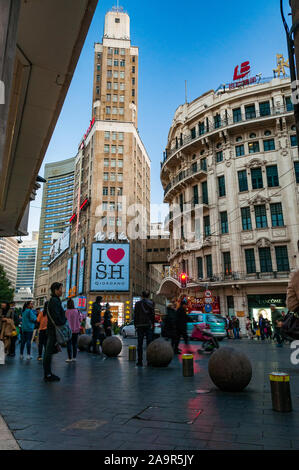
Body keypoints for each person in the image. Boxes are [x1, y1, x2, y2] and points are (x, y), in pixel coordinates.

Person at [43, 282, 66, 382]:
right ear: (56, 290)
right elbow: (57, 317)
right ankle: (47, 374)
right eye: (60, 289)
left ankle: (48, 373)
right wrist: (63, 321)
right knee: (48, 352)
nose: (62, 291)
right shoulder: (55, 301)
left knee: (49, 351)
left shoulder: (54, 300)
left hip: (52, 329)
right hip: (53, 330)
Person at [133, 290, 155, 366]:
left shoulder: (137, 304)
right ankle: (149, 361)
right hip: (148, 325)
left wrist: (135, 325)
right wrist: (153, 324)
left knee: (140, 344)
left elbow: (135, 315)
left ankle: (140, 361)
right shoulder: (151, 303)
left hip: (140, 325)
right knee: (149, 343)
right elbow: (152, 316)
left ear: (141, 296)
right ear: (148, 296)